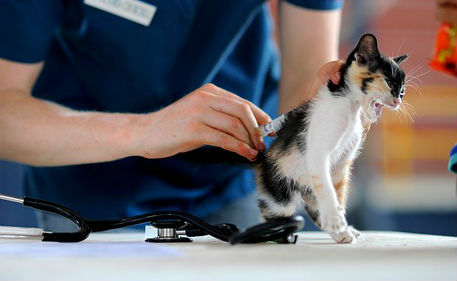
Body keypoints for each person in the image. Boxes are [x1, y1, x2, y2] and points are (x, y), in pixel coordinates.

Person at [0, 0, 343, 230]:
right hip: (84, 176)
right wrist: (144, 131)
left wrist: (310, 134)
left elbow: (305, 68)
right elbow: (5, 116)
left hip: (234, 175)